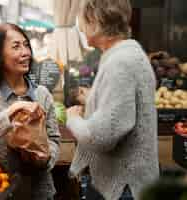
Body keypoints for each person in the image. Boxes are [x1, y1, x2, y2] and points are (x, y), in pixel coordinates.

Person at [66, 0, 159, 199]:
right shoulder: (125, 54)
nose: (80, 26)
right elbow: (124, 108)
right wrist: (94, 98)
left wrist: (73, 119)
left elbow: (103, 135)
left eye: (82, 18)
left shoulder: (120, 62)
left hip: (124, 187)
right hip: (129, 183)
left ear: (96, 20)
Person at [0, 23, 60, 200]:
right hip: (0, 189)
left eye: (26, 45)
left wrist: (44, 158)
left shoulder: (42, 94)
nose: (25, 52)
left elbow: (54, 139)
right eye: (16, 47)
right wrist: (13, 110)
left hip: (40, 191)